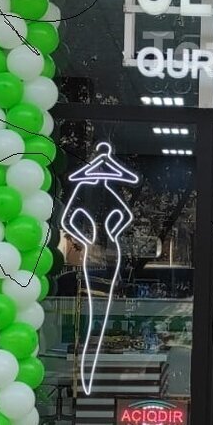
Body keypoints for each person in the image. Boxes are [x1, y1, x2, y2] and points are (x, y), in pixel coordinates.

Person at [60, 142, 139, 395]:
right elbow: (70, 221)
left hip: (105, 257)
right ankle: (87, 374)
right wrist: (92, 238)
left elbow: (69, 220)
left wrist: (87, 237)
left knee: (100, 311)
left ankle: (88, 373)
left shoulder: (93, 189)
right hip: (100, 256)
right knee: (94, 312)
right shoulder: (94, 189)